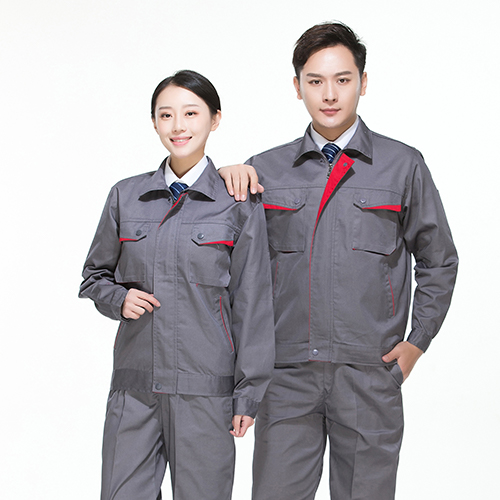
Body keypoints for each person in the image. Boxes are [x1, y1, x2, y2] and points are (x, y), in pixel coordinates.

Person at [219, 22, 458, 500]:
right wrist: (217, 178)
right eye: (315, 81)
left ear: (363, 83)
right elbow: (233, 272)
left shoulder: (402, 164)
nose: (329, 94)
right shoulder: (264, 169)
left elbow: (439, 259)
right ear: (297, 87)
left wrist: (417, 342)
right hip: (286, 374)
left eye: (343, 79)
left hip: (369, 373)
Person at [79, 70, 275, 500]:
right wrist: (118, 298)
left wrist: (248, 394)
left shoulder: (237, 202)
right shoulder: (126, 196)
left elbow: (253, 303)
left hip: (205, 394)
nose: (178, 126)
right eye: (166, 115)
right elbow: (94, 276)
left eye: (191, 113)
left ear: (215, 119)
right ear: (154, 123)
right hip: (135, 390)